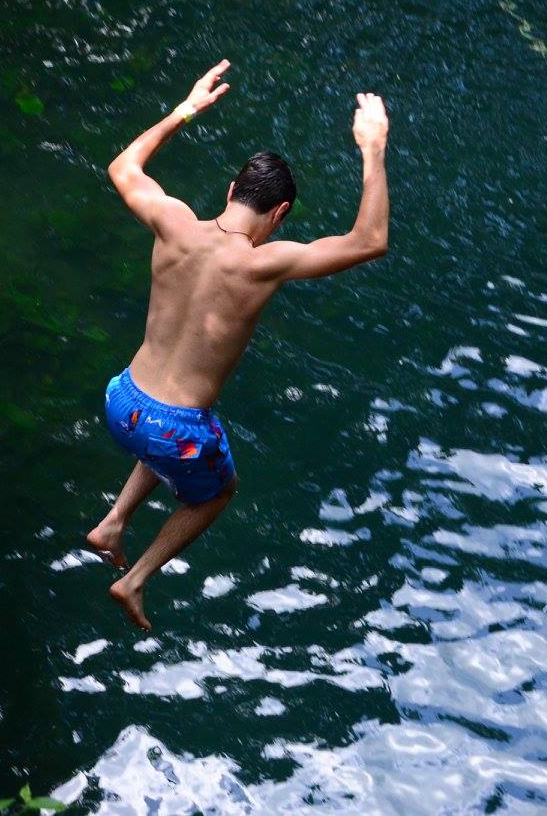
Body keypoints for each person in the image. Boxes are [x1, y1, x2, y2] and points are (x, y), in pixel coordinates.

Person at [86, 60, 391, 630]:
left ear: (230, 191)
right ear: (279, 214)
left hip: (122, 398)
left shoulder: (172, 220)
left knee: (182, 428)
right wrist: (373, 149)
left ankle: (114, 521)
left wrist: (185, 109)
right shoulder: (264, 264)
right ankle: (134, 580)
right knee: (216, 488)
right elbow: (370, 240)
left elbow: (123, 166)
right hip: (170, 427)